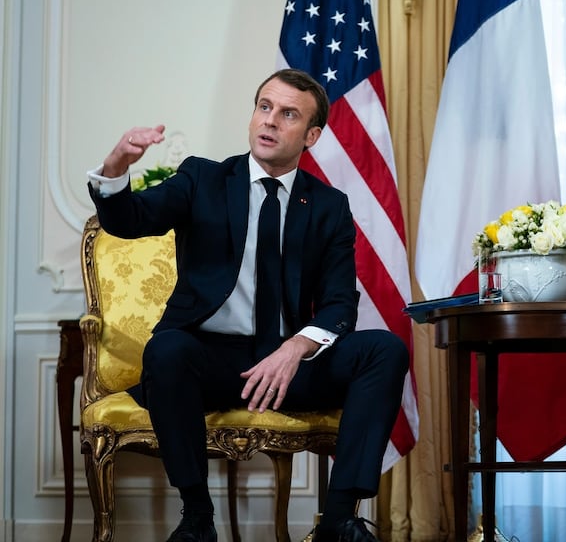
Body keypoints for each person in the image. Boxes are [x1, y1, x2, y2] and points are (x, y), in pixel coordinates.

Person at [87, 68, 407, 542]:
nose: (270, 121)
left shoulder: (328, 205)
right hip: (210, 362)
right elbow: (129, 221)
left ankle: (340, 518)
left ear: (312, 135)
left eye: (289, 114)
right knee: (167, 350)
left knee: (385, 349)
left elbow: (341, 303)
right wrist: (117, 164)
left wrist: (295, 349)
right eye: (264, 107)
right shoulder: (203, 179)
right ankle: (197, 517)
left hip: (285, 367)